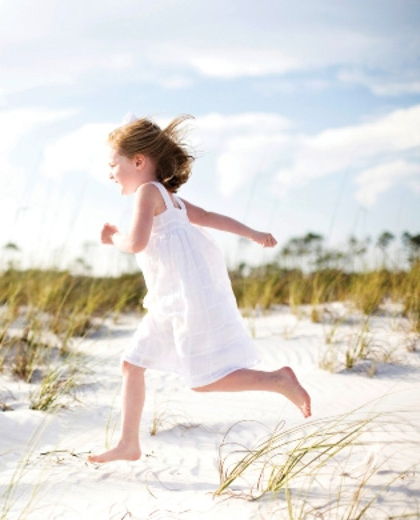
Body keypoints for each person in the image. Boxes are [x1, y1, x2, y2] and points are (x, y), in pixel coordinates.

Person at [88, 114, 311, 464]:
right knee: (132, 364)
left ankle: (278, 381)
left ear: (138, 161)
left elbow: (135, 242)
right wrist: (251, 232)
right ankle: (128, 444)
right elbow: (207, 216)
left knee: (202, 379)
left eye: (113, 163)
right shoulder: (170, 198)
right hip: (167, 302)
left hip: (182, 302)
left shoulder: (148, 193)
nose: (110, 172)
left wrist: (111, 236)